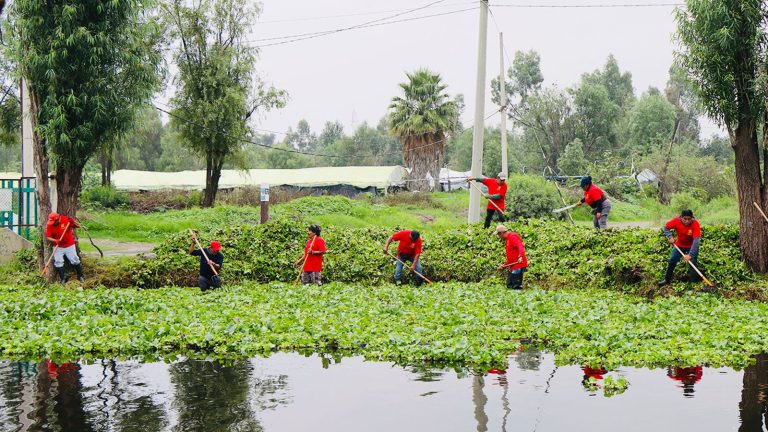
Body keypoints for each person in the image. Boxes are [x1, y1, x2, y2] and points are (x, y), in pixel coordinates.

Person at [658, 209, 701, 287]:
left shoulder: (695, 224)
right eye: (685, 219)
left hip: (691, 246)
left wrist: (690, 254)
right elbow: (666, 228)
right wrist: (670, 236)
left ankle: (693, 282)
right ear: (681, 217)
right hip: (679, 245)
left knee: (693, 263)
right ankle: (667, 280)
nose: (687, 221)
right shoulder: (676, 221)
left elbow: (696, 241)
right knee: (672, 260)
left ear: (692, 218)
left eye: (689, 219)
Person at [44, 212, 84, 283]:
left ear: (58, 219)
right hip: (58, 246)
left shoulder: (65, 220)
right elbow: (48, 237)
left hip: (69, 245)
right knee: (58, 261)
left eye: (54, 222)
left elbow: (78, 226)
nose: (52, 223)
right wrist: (55, 240)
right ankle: (63, 278)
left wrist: (73, 222)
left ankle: (80, 276)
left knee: (74, 259)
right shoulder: (49, 225)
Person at [494, 224, 528, 290]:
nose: (499, 237)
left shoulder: (513, 236)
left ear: (501, 233)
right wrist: (504, 265)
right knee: (509, 285)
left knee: (515, 286)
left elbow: (520, 246)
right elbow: (511, 257)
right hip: (513, 265)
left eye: (498, 235)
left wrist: (520, 256)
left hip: (518, 265)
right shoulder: (508, 239)